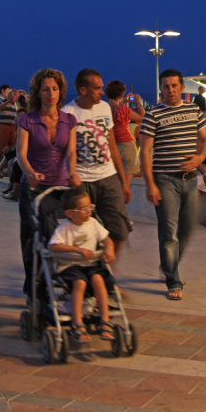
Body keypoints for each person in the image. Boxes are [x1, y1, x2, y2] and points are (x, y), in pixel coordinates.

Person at [140, 69, 206, 301]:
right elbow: (146, 151)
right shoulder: (153, 115)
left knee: (188, 229)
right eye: (166, 86)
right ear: (160, 88)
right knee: (169, 233)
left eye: (174, 85)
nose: (170, 90)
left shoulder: (194, 110)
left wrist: (199, 159)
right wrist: (150, 184)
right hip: (164, 179)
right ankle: (173, 279)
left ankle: (169, 265)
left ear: (182, 87)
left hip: (190, 182)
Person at [62, 69, 134, 269]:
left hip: (108, 177)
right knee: (85, 235)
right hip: (82, 181)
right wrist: (71, 174)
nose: (102, 92)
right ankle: (91, 279)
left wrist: (123, 182)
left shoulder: (104, 108)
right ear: (83, 90)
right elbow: (68, 150)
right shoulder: (68, 113)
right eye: (97, 88)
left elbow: (112, 146)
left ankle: (106, 274)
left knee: (120, 230)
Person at [16, 69, 78, 296]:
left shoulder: (69, 120)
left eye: (54, 88)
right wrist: (30, 172)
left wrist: (72, 173)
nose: (51, 93)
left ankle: (57, 277)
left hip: (58, 187)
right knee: (31, 235)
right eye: (45, 89)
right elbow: (21, 154)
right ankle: (32, 283)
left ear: (60, 91)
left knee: (58, 234)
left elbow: (71, 152)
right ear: (38, 92)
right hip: (31, 187)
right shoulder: (27, 120)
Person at [47, 188, 117, 342]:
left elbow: (106, 239)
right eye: (83, 209)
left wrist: (109, 248)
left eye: (90, 207)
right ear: (70, 213)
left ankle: (104, 320)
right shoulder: (65, 227)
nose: (88, 211)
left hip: (90, 264)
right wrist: (76, 249)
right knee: (80, 282)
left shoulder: (93, 223)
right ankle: (77, 321)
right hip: (70, 265)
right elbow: (53, 246)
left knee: (99, 280)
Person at [107, 81, 145, 177]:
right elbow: (143, 119)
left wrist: (123, 102)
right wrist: (139, 103)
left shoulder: (104, 108)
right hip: (126, 145)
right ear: (121, 94)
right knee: (126, 183)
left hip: (111, 145)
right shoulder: (124, 109)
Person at [0, 86, 19, 167]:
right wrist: (7, 101)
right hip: (3, 127)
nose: (17, 98)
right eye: (16, 96)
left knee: (11, 149)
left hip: (12, 128)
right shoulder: (0, 100)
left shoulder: (15, 104)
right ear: (11, 95)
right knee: (1, 149)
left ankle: (8, 169)